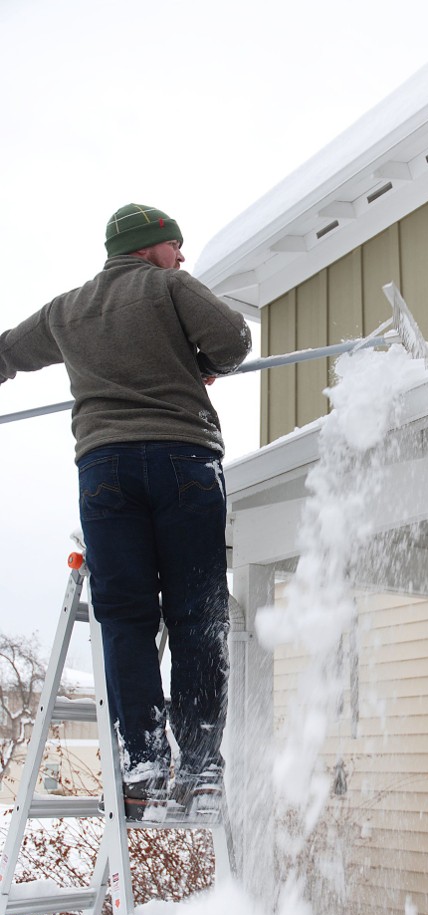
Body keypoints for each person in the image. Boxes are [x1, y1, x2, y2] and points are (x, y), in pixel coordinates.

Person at [0, 203, 252, 819]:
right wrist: (203, 366)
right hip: (183, 462)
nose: (182, 256)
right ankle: (199, 764)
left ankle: (144, 759)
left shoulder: (66, 309)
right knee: (196, 613)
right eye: (176, 245)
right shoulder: (169, 286)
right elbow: (234, 339)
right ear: (150, 249)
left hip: (104, 470)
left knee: (125, 616)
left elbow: (7, 352)